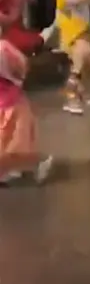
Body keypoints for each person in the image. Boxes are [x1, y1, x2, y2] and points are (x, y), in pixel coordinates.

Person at [0, 38, 52, 184]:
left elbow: (19, 67)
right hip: (10, 104)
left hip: (11, 106)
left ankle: (37, 164)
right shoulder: (4, 48)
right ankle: (13, 169)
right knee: (11, 143)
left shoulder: (3, 50)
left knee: (14, 143)